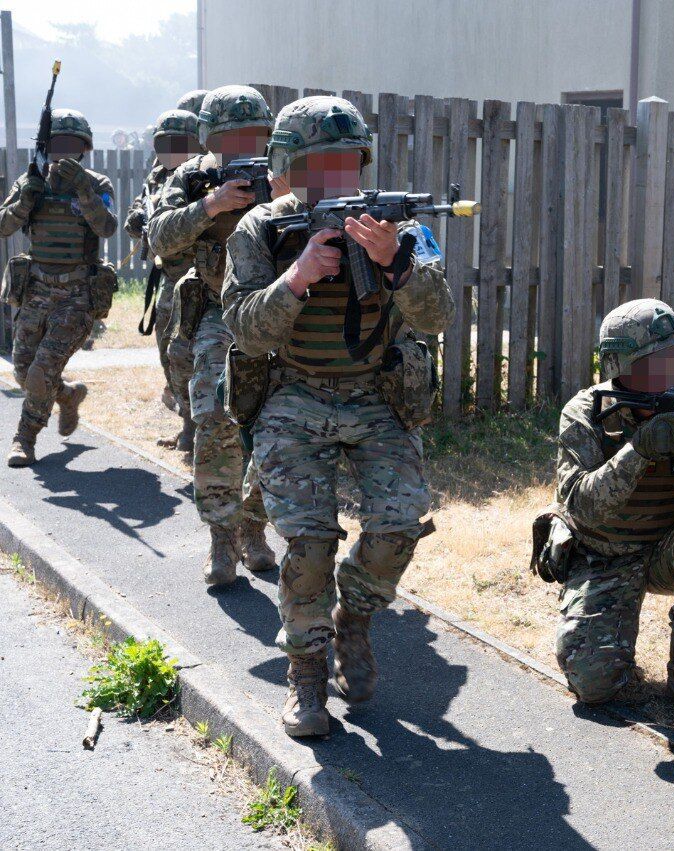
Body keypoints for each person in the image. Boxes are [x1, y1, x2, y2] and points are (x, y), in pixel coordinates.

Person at [222, 95, 454, 737]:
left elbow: (438, 318)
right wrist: (294, 279)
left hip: (374, 397)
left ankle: (355, 615)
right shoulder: (262, 230)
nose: (337, 176)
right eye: (320, 163)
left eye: (346, 162)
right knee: (309, 539)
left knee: (400, 521)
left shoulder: (400, 227)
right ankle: (306, 681)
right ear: (292, 167)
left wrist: (396, 264)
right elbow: (245, 331)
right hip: (294, 397)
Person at [548, 300, 674, 722]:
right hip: (602, 554)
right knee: (593, 685)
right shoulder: (587, 414)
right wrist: (637, 451)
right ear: (621, 365)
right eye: (660, 358)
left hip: (665, 550)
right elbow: (582, 507)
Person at [148, 86, 277, 585]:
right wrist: (210, 206)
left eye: (254, 135)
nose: (243, 145)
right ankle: (221, 543)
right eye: (231, 137)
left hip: (280, 312)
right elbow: (157, 236)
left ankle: (254, 527)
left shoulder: (285, 169)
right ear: (210, 138)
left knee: (279, 428)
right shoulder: (194, 175)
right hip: (217, 315)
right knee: (215, 423)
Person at [1, 109, 116, 467]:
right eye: (57, 145)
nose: (64, 153)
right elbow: (4, 226)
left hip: (77, 295)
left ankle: (25, 439)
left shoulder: (97, 184)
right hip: (36, 290)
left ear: (85, 148)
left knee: (40, 371)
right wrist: (24, 202)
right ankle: (66, 396)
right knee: (23, 370)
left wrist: (83, 190)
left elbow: (107, 227)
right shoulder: (31, 181)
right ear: (46, 148)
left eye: (72, 145)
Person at [124, 109, 202, 454]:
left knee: (191, 354)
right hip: (169, 278)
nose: (171, 150)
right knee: (168, 356)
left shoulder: (202, 177)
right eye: (164, 143)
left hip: (200, 276)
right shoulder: (155, 177)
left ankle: (201, 430)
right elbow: (135, 218)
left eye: (179, 143)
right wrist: (138, 219)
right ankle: (188, 425)